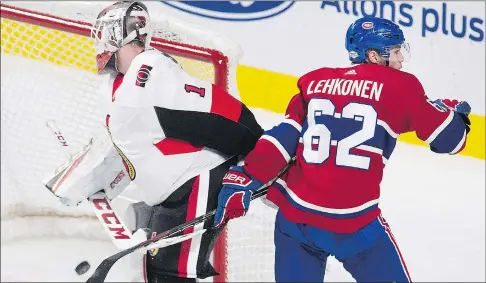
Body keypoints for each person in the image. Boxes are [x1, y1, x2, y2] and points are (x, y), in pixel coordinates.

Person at [213, 17, 472, 282]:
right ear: (374, 55)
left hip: (297, 223)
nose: (400, 61)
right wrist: (454, 117)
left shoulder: (315, 82)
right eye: (395, 52)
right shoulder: (401, 86)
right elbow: (450, 142)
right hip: (353, 228)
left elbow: (285, 135)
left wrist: (244, 177)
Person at [46, 1, 263, 283]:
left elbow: (222, 118)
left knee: (170, 274)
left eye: (103, 34)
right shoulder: (125, 79)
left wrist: (257, 160)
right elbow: (136, 140)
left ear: (117, 36)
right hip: (177, 186)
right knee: (154, 270)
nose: (98, 43)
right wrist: (91, 178)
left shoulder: (148, 75)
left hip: (199, 179)